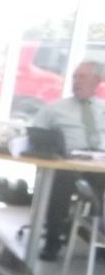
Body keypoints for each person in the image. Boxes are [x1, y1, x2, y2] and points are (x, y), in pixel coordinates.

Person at [33, 60, 105, 260]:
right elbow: (35, 136)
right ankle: (52, 242)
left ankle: (100, 239)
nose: (76, 81)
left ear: (97, 81)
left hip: (100, 165)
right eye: (75, 76)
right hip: (69, 163)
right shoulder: (55, 109)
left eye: (82, 77)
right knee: (59, 183)